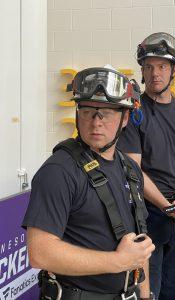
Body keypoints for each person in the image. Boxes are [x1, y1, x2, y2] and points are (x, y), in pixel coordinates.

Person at [22, 67, 155, 300]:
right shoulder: (58, 171)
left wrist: (144, 295)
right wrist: (117, 261)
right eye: (87, 111)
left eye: (106, 112)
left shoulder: (130, 170)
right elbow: (40, 253)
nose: (96, 122)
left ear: (125, 118)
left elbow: (138, 246)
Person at [117, 32, 175, 300]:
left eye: (162, 66)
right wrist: (168, 208)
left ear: (173, 71)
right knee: (149, 289)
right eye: (149, 66)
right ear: (142, 71)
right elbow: (133, 169)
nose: (155, 73)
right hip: (148, 215)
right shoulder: (134, 113)